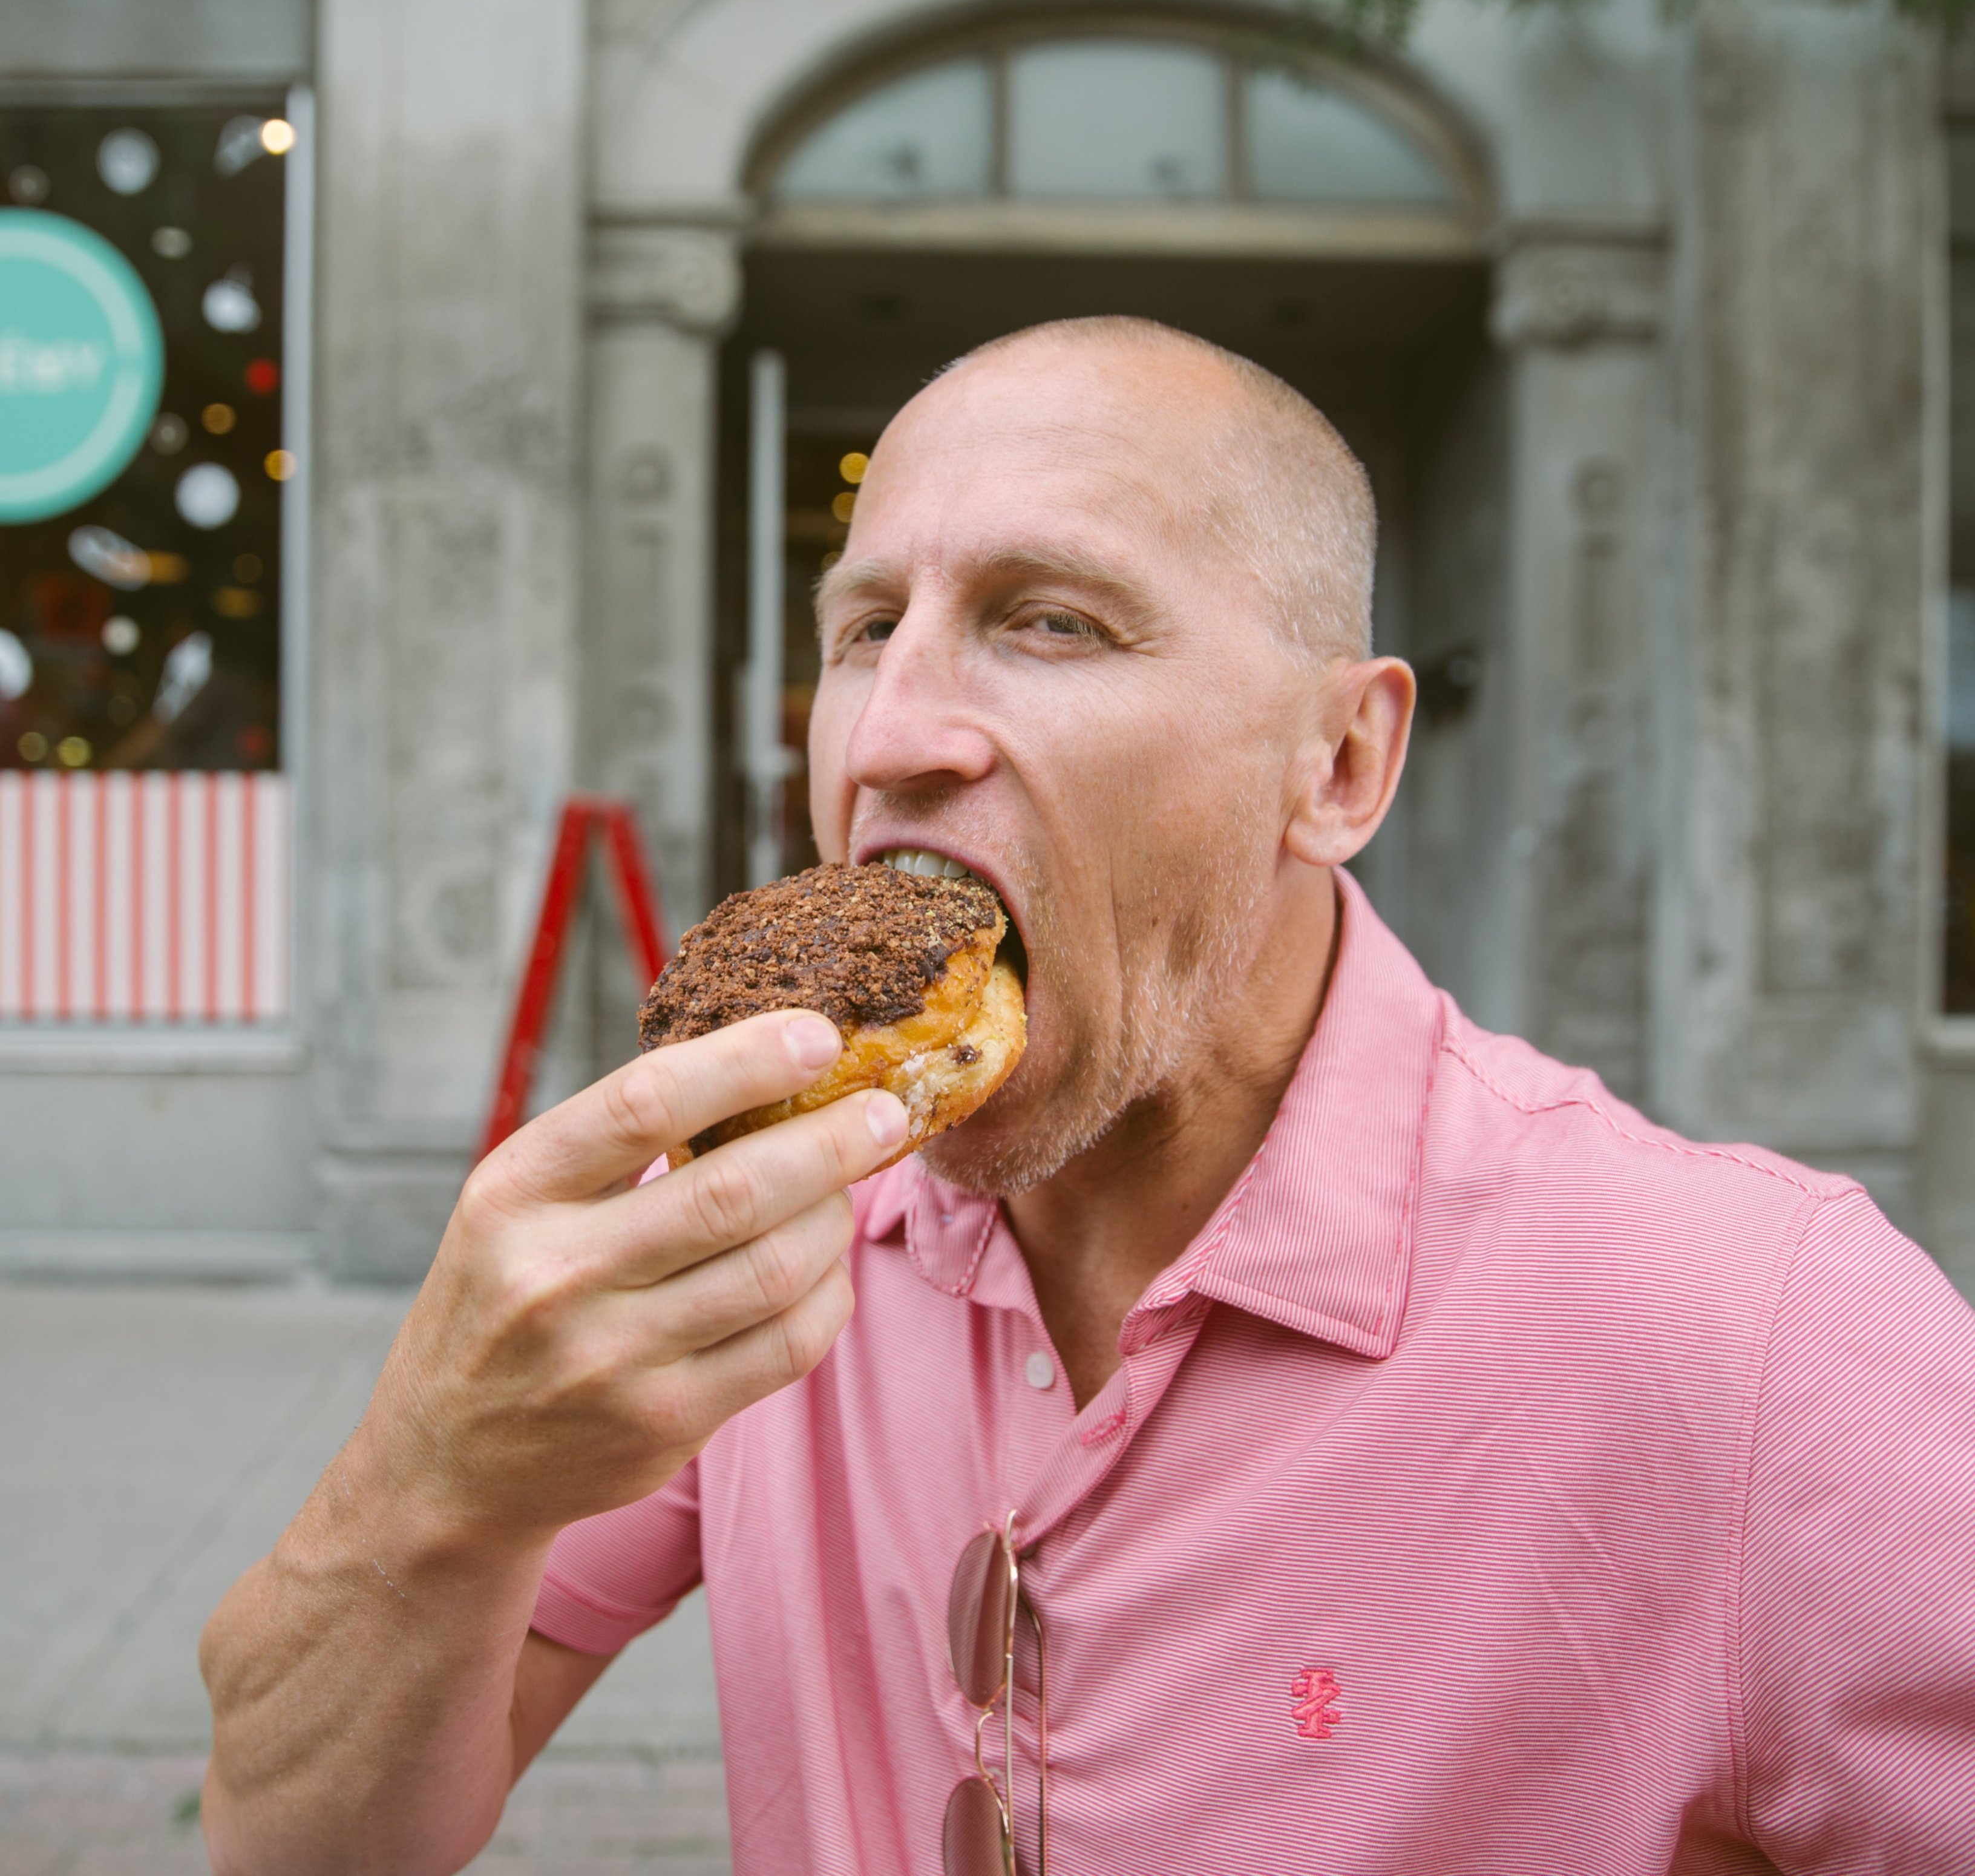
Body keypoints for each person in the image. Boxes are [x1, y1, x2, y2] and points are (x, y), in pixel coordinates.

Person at [199, 318, 1975, 1875]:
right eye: (864, 626)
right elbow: (296, 1843)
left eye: (1048, 624)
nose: (893, 733)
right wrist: (436, 1478)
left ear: (1339, 761)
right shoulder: (750, 1243)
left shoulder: (1759, 1334)